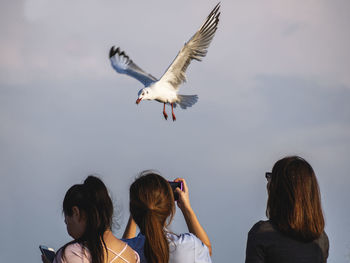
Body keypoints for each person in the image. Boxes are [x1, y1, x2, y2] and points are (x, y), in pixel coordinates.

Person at [245, 156, 329, 263]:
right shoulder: (321, 239)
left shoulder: (262, 234)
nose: (268, 184)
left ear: (279, 190)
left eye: (271, 178)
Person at [42, 175, 139, 263]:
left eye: (66, 216)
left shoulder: (70, 254)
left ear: (76, 212)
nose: (65, 222)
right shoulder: (132, 255)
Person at [122, 170, 212, 263]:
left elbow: (123, 251)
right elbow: (205, 249)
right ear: (169, 209)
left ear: (133, 209)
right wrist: (186, 208)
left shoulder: (122, 250)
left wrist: (140, 207)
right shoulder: (189, 247)